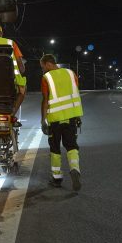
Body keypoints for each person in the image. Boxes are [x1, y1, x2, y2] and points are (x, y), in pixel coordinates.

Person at [40, 54, 83, 191]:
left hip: (55, 120)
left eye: (43, 67)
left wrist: (43, 120)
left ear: (47, 64)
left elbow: (45, 100)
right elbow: (75, 92)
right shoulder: (71, 74)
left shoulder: (47, 78)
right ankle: (75, 169)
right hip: (71, 117)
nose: (43, 70)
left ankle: (57, 178)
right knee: (71, 146)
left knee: (55, 149)